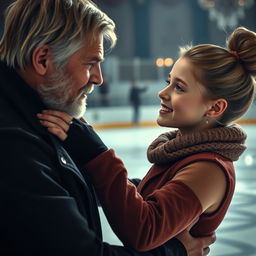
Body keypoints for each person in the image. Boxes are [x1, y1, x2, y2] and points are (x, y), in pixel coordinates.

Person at [0, 0, 215, 255]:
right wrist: (175, 252)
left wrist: (171, 193)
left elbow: (73, 186)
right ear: (43, 59)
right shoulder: (12, 145)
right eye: (90, 63)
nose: (99, 78)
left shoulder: (42, 114)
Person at [38, 26, 256, 254]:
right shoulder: (186, 153)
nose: (163, 93)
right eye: (168, 82)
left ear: (215, 107)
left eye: (179, 87)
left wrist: (97, 154)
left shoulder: (209, 168)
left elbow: (144, 231)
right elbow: (148, 195)